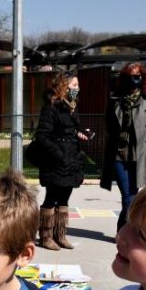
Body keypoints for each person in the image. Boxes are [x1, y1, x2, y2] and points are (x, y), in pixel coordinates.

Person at [100, 62, 146, 231]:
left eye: (138, 76)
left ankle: (124, 229)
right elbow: (109, 125)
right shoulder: (115, 99)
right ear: (124, 78)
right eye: (131, 76)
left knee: (133, 195)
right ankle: (125, 230)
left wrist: (144, 137)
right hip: (119, 152)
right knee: (127, 195)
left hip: (140, 152)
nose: (135, 79)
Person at [34, 71, 89, 251]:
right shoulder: (51, 107)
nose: (77, 89)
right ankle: (46, 236)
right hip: (55, 162)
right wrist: (59, 154)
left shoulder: (71, 106)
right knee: (51, 198)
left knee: (65, 198)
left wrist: (78, 134)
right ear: (63, 86)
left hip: (71, 160)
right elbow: (42, 136)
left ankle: (60, 235)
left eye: (77, 85)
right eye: (74, 85)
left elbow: (68, 131)